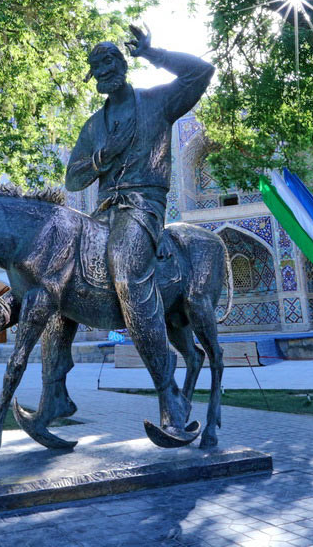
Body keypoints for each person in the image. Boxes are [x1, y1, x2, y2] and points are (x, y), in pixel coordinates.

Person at [65, 25, 213, 404]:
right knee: (53, 280)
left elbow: (201, 72)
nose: (103, 71)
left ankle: (168, 394)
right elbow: (74, 179)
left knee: (127, 271)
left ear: (123, 64)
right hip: (102, 214)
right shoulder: (93, 126)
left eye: (109, 61)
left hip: (142, 207)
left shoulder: (157, 103)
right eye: (96, 66)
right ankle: (54, 397)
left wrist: (152, 53)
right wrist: (104, 154)